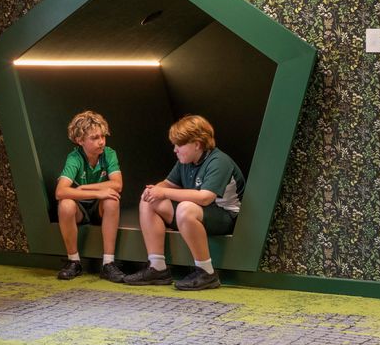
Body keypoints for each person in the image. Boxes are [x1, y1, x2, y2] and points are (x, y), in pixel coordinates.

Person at [124, 114, 245, 292]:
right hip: (197, 214)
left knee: (185, 208)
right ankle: (157, 268)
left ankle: (206, 272)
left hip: (225, 217)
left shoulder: (219, 161)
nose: (175, 150)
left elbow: (205, 197)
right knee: (148, 200)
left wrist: (164, 192)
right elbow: (167, 184)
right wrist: (154, 190)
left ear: (197, 144)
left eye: (179, 145)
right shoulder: (186, 161)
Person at [53, 110, 124, 281]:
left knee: (112, 200)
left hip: (98, 208)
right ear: (80, 140)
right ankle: (74, 262)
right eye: (94, 138)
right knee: (65, 204)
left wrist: (85, 188)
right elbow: (60, 192)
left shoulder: (109, 154)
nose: (101, 142)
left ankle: (108, 264)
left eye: (103, 136)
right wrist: (97, 191)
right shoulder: (74, 158)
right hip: (79, 208)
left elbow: (117, 184)